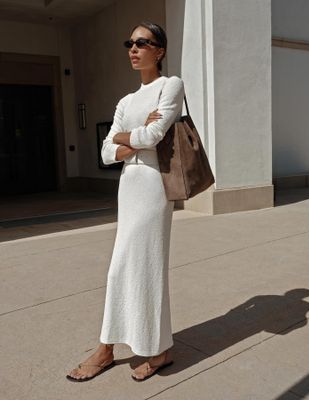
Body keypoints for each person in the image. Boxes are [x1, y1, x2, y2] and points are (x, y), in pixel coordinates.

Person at [66, 21, 184, 382]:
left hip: (153, 187)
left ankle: (145, 349)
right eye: (129, 43)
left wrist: (123, 138)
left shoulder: (171, 85)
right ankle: (114, 345)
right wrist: (128, 140)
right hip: (129, 186)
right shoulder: (126, 101)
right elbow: (105, 152)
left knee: (146, 267)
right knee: (122, 268)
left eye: (142, 43)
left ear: (159, 51)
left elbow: (155, 134)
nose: (133, 49)